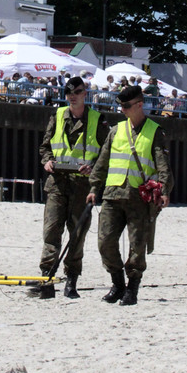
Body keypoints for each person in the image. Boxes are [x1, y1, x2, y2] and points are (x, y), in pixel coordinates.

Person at [87, 84, 174, 306]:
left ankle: (132, 289)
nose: (122, 110)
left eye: (126, 106)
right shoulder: (116, 131)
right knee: (105, 241)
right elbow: (102, 162)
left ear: (139, 104)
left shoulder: (155, 131)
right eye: (120, 106)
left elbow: (163, 165)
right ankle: (117, 283)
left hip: (139, 197)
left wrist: (164, 190)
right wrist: (93, 188)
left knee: (137, 246)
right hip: (112, 194)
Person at [39, 76, 109, 298]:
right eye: (69, 91)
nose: (72, 95)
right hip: (57, 183)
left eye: (77, 91)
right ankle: (46, 279)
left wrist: (94, 169)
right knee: (51, 233)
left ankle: (71, 281)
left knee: (76, 235)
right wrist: (47, 161)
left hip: (82, 186)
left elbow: (107, 155)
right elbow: (45, 146)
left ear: (84, 94)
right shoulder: (58, 116)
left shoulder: (98, 120)